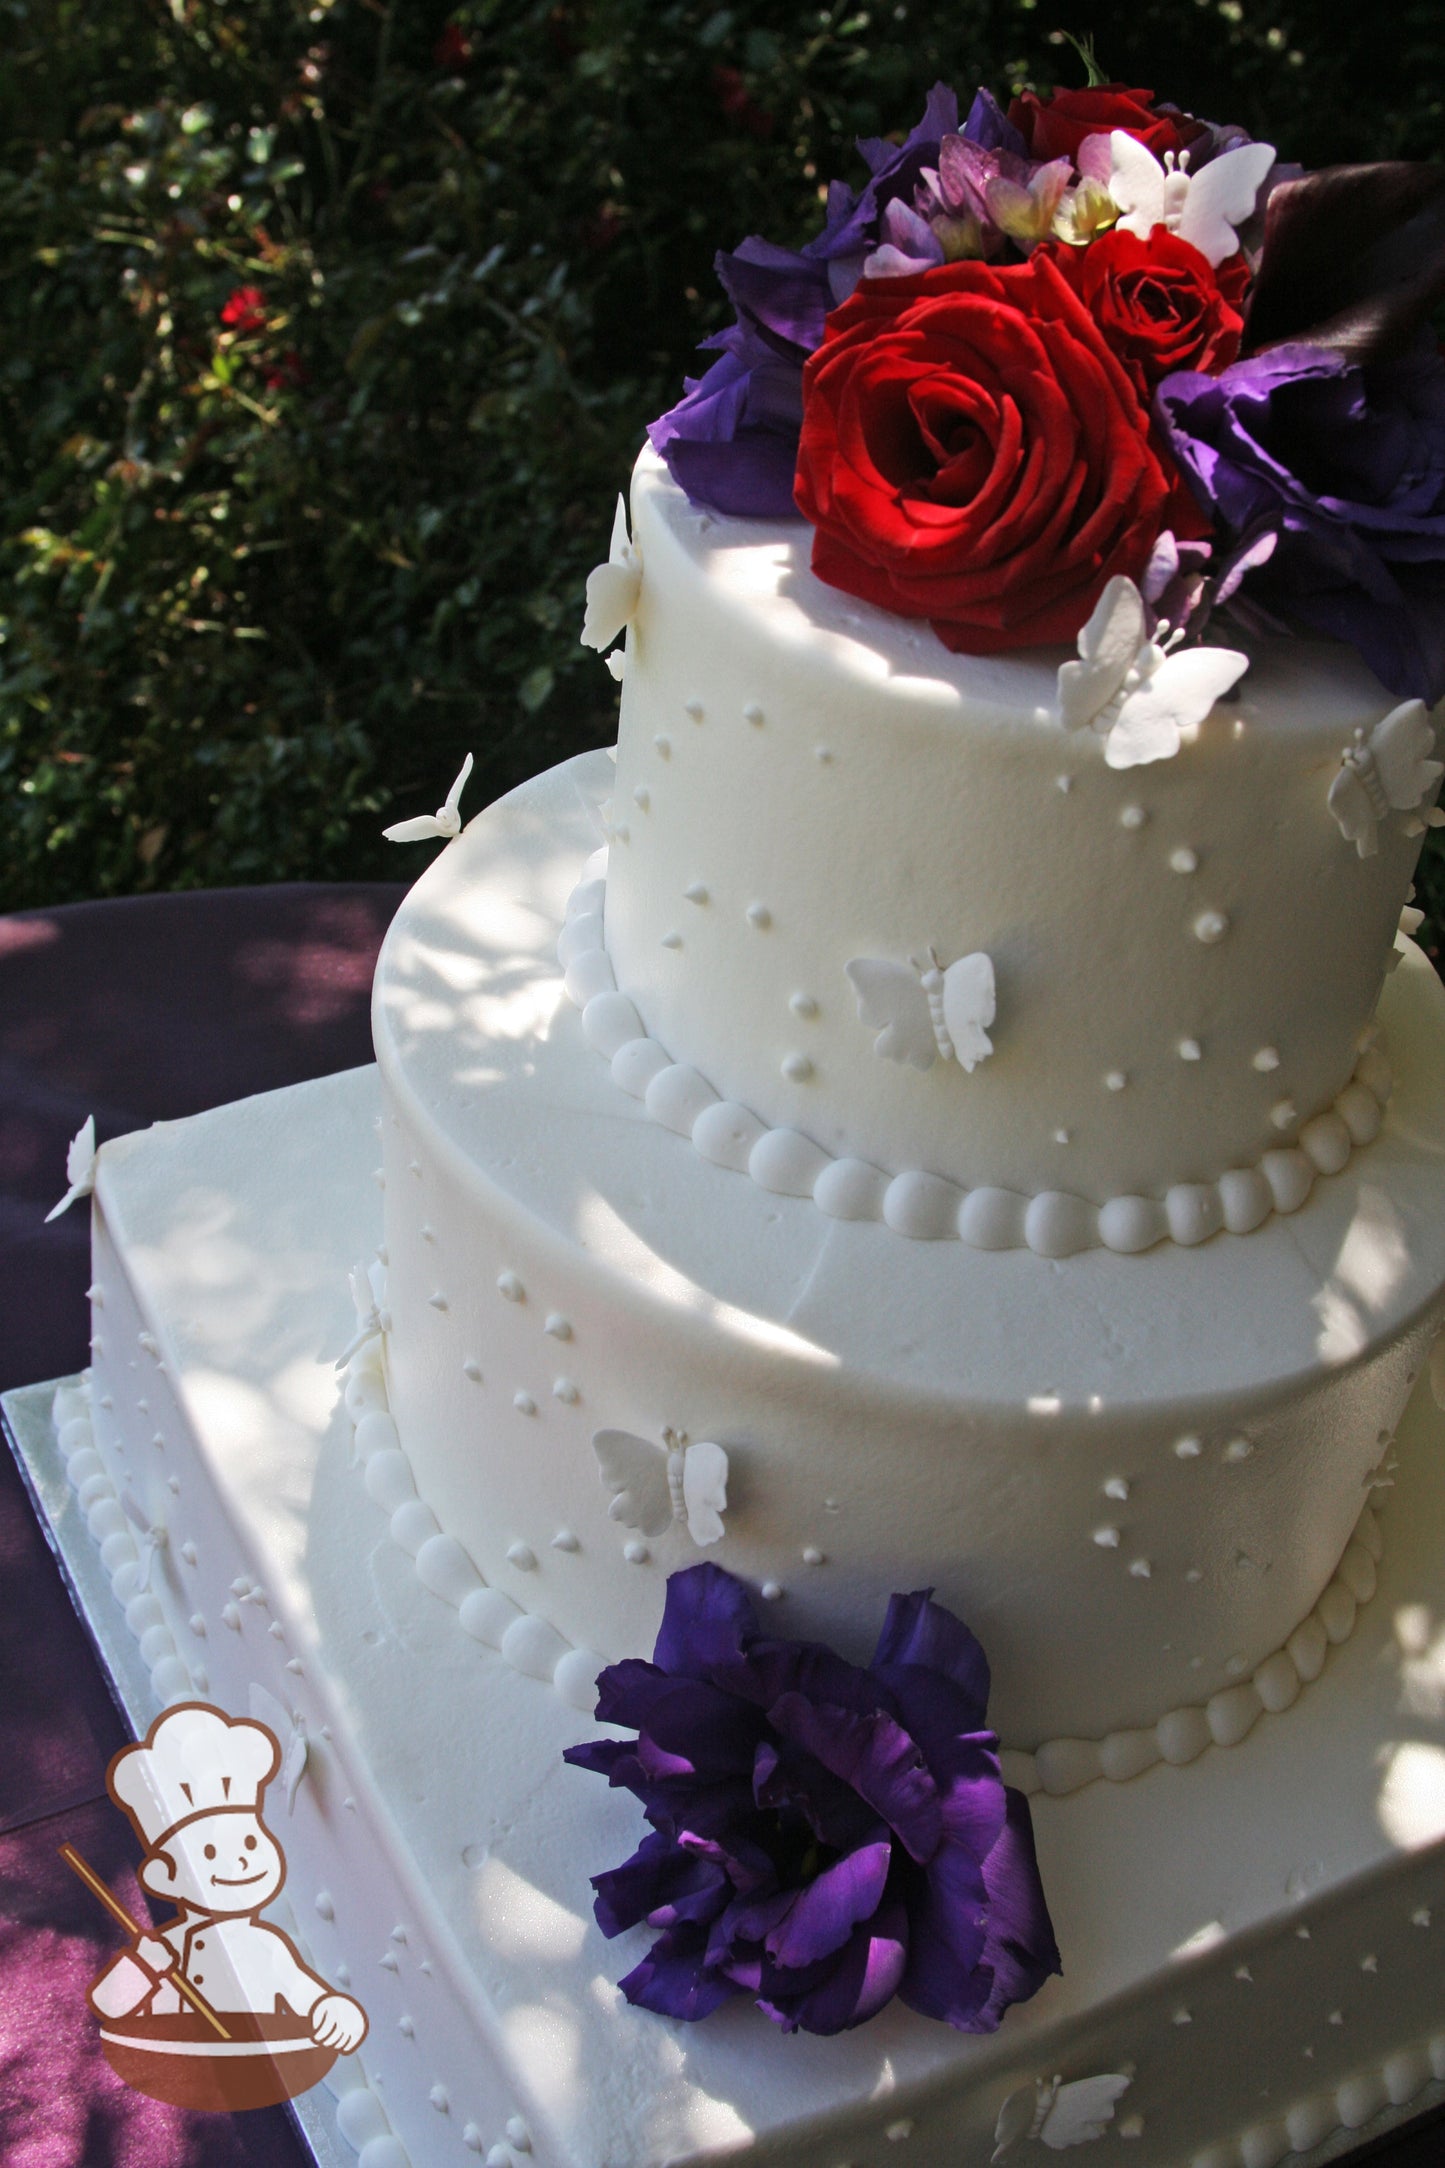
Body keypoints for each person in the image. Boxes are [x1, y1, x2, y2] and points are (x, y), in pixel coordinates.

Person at [88, 1701, 367, 2053]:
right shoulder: (171, 1946)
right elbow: (109, 2003)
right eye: (209, 1854)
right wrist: (146, 1962)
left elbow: (305, 1994)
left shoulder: (266, 1944)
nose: (242, 1862)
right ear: (166, 1879)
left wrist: (332, 2010)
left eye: (250, 1842)